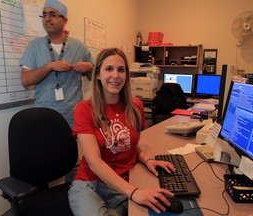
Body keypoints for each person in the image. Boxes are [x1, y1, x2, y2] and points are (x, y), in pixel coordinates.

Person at [68, 48, 177, 216]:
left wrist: (147, 160)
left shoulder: (135, 106)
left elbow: (130, 143)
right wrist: (134, 193)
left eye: (121, 69)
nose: (116, 75)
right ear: (97, 74)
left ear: (127, 74)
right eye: (109, 69)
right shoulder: (84, 109)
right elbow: (94, 162)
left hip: (123, 183)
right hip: (91, 183)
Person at [20, 0, 94, 129]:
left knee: (73, 149)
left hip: (74, 116)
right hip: (43, 116)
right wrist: (50, 66)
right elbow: (25, 80)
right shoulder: (34, 46)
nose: (47, 19)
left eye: (52, 14)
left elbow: (94, 76)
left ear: (64, 20)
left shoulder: (79, 47)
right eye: (44, 15)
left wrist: (89, 67)